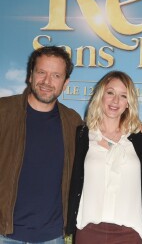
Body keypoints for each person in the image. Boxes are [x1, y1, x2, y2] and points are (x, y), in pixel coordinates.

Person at [0, 46, 83, 244]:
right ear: (30, 75)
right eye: (41, 72)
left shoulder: (73, 121)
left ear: (65, 83)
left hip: (53, 237)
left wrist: (134, 126)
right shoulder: (3, 112)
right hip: (4, 234)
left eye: (56, 75)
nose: (47, 81)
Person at [66, 71, 142, 244]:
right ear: (101, 96)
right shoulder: (82, 135)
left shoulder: (139, 138)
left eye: (123, 96)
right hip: (89, 232)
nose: (115, 101)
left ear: (129, 103)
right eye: (110, 93)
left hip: (130, 234)